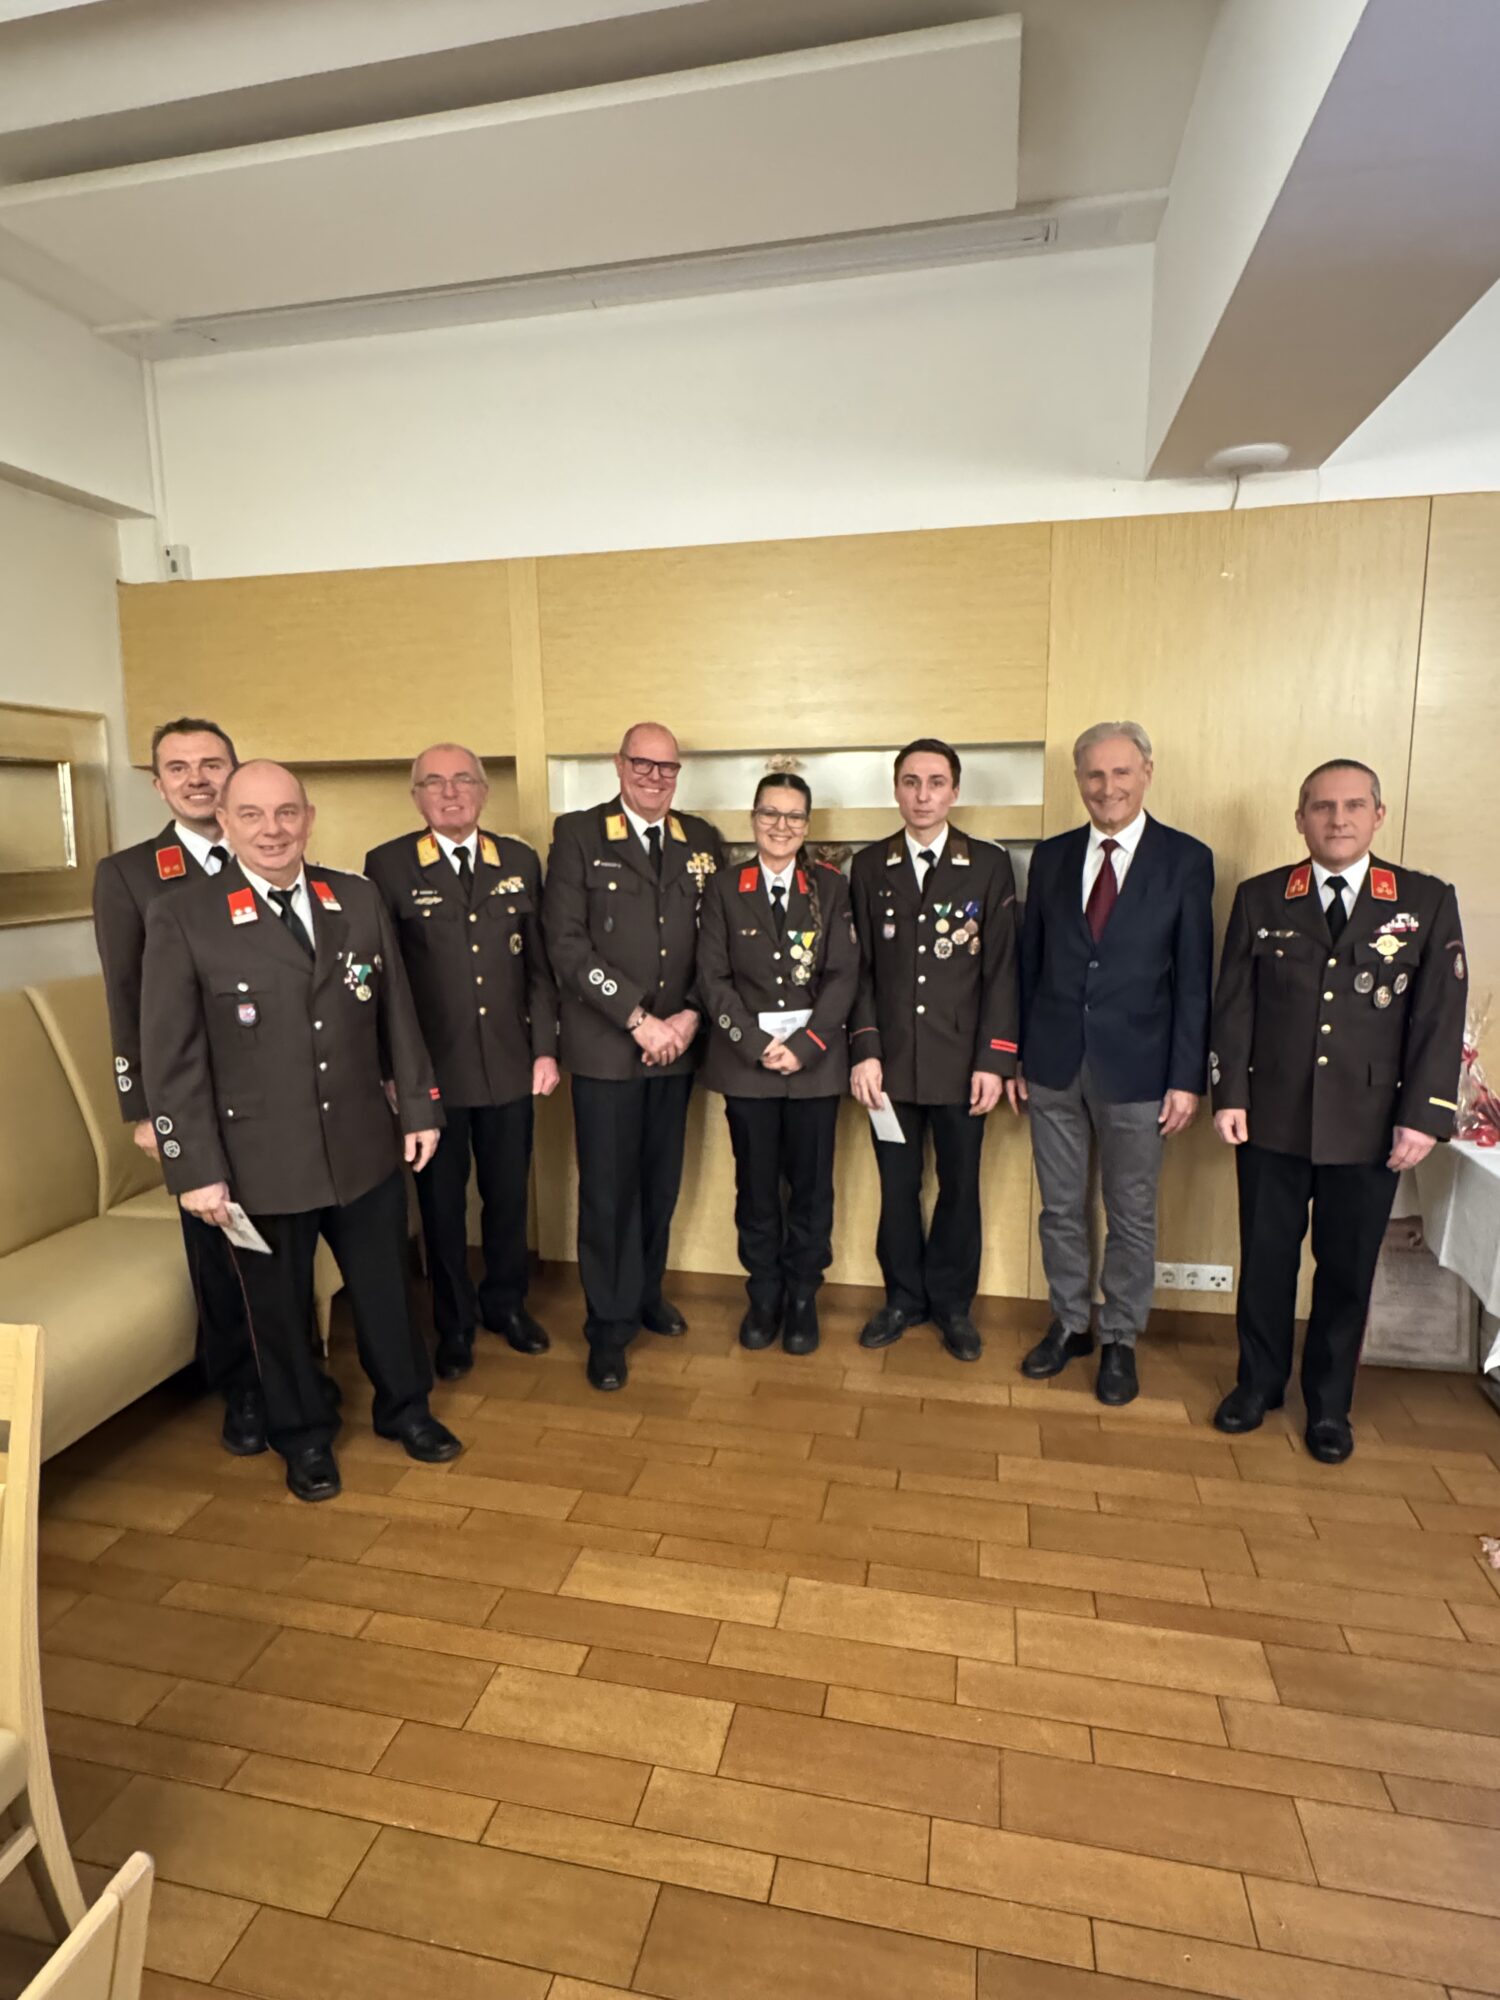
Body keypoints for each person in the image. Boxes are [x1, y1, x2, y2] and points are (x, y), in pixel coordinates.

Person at [141, 759, 462, 1501]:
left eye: (287, 812)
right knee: (278, 1311)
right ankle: (303, 1436)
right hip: (259, 1159)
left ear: (309, 819)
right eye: (252, 815)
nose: (273, 830)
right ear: (225, 823)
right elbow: (172, 1059)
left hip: (362, 1145)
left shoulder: (354, 897)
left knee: (385, 1291)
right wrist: (195, 1168)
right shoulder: (184, 916)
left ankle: (406, 1410)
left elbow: (396, 1012)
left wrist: (419, 1108)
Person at [1210, 758, 1467, 1463]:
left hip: (1369, 1124)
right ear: (1301, 819)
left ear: (1378, 815)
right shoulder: (1262, 898)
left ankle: (1329, 1406)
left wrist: (1425, 1115)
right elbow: (1233, 1008)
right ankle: (1258, 1385)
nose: (1338, 819)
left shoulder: (1423, 900)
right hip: (1271, 1118)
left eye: (1354, 805)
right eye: (1322, 807)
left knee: (1347, 1270)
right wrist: (1229, 1094)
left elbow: (1438, 1018)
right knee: (1265, 1262)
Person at [1010, 722, 1214, 1405]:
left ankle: (1121, 1336)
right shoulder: (1051, 857)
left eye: (1122, 772)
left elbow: (1194, 980)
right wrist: (1019, 1054)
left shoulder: (1186, 859)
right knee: (1060, 1207)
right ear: (1079, 780)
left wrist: (1186, 1078)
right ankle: (1071, 1323)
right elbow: (1030, 965)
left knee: (1130, 1212)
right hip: (1053, 1064)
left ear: (1147, 773)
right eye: (1095, 775)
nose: (1108, 788)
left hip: (1141, 1070)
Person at [92, 716, 262, 1455]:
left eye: (212, 764)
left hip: (275, 1087)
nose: (198, 779)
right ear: (159, 785)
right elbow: (125, 997)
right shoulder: (131, 874)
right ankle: (242, 1390)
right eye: (179, 767)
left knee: (278, 1234)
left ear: (234, 772)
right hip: (192, 1094)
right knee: (217, 1243)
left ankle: (288, 1368)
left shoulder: (268, 851)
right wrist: (143, 1109)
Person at [366, 743, 559, 1381]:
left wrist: (545, 1048)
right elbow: (384, 982)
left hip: (508, 1065)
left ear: (483, 790)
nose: (450, 793)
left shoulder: (519, 861)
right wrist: (394, 1072)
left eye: (462, 780)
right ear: (416, 796)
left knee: (507, 1198)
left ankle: (507, 1305)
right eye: (434, 782)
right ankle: (453, 1323)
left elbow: (540, 968)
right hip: (434, 1075)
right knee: (442, 1209)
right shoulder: (388, 866)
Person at [543, 722, 725, 1391]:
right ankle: (608, 1325)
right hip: (608, 1049)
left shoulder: (701, 841)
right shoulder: (579, 835)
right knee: (609, 1192)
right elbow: (565, 944)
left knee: (659, 1184)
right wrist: (637, 1018)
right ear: (618, 765)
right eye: (642, 764)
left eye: (666, 767)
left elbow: (719, 943)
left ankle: (646, 1293)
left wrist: (690, 1015)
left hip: (677, 1046)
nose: (654, 777)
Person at [848, 738, 1019, 1361]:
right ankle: (902, 1298)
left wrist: (995, 1060)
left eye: (936, 782)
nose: (923, 795)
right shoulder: (869, 866)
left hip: (961, 1065)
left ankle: (952, 1305)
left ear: (955, 791)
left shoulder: (989, 864)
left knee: (959, 1186)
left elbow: (1002, 971)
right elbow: (859, 970)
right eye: (911, 782)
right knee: (897, 1188)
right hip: (889, 1067)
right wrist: (864, 1050)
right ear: (896, 789)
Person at [697, 773, 859, 1355]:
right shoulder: (724, 887)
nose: (781, 826)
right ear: (753, 819)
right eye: (770, 813)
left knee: (812, 1190)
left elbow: (843, 975)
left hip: (815, 1066)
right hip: (748, 1066)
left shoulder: (831, 887)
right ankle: (763, 1292)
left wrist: (807, 1045)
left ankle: (802, 1296)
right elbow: (712, 978)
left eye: (793, 816)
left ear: (808, 826)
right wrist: (754, 1043)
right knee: (756, 1188)